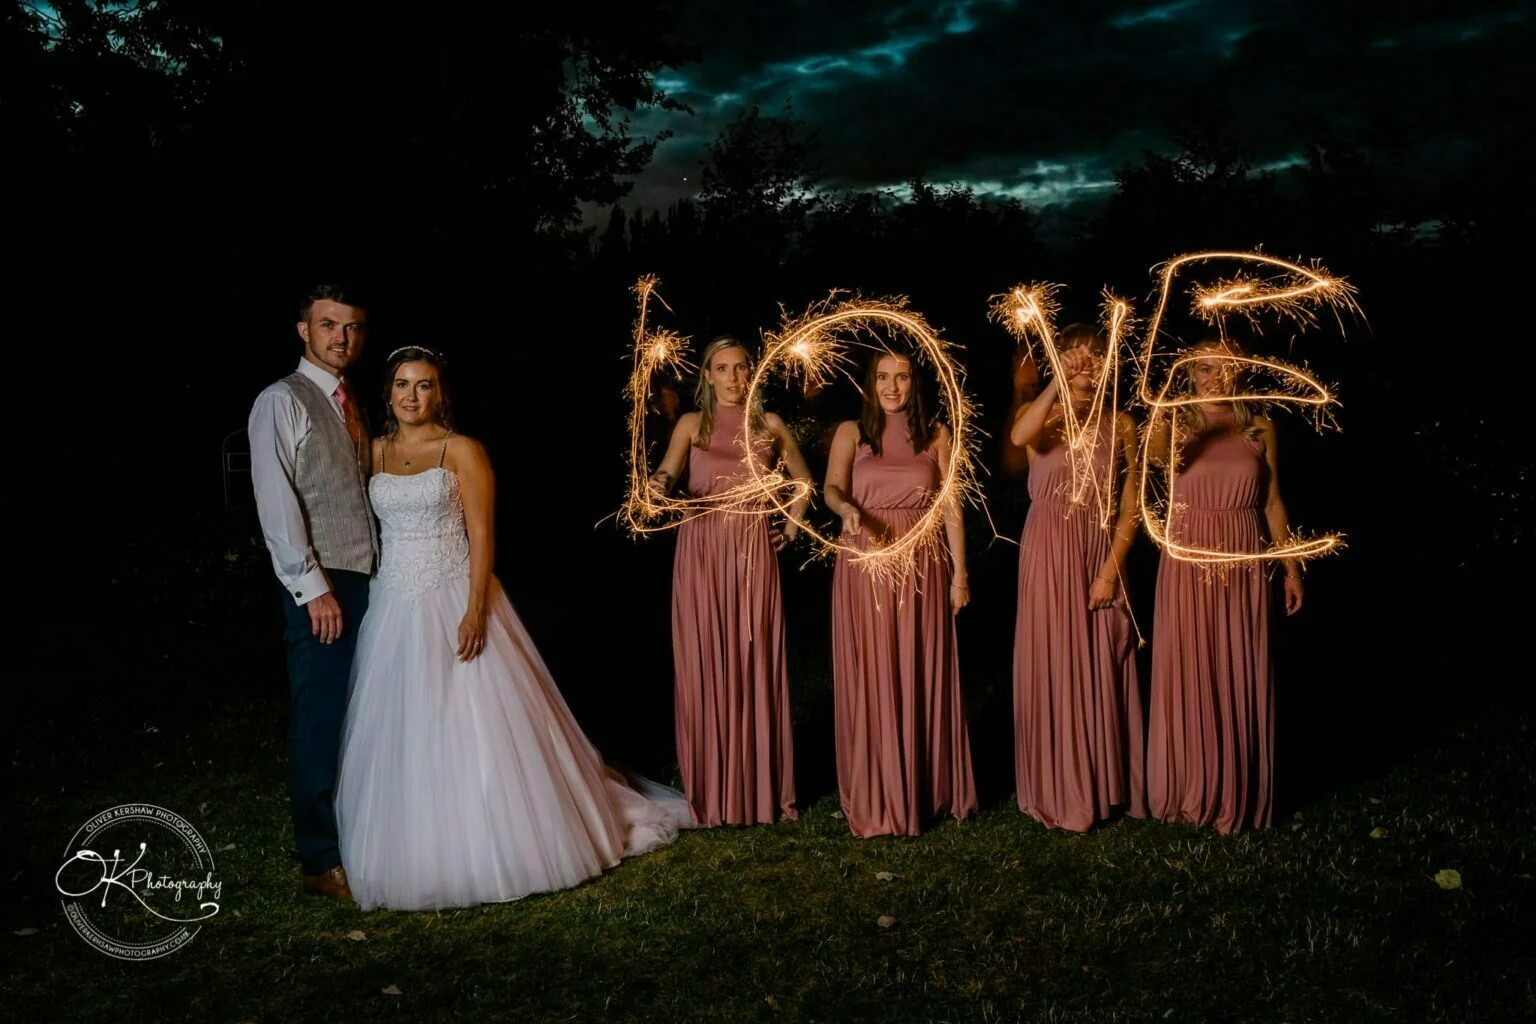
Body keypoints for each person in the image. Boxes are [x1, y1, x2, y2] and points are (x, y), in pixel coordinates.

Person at [335, 347, 692, 911]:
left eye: (423, 385)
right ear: (389, 393)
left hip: (457, 592)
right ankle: (421, 846)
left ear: (438, 393)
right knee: (407, 722)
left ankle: (509, 839)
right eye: (402, 385)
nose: (411, 396)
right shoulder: (372, 453)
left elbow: (482, 535)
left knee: (475, 718)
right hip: (395, 606)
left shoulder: (463, 450)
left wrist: (475, 608)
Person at [649, 336, 814, 825]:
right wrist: (657, 485)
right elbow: (667, 472)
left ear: (753, 373)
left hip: (750, 552)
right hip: (700, 550)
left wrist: (789, 523)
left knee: (753, 657)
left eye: (742, 368)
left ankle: (761, 791)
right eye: (722, 369)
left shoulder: (770, 426)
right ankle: (711, 793)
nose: (734, 378)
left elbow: (804, 482)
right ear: (707, 375)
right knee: (706, 657)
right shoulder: (690, 425)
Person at [1144, 339, 1305, 833]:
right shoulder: (1175, 425)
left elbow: (1273, 501)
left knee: (1240, 659)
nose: (1217, 378)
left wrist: (1292, 568)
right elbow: (1154, 461)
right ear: (1191, 374)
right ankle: (1191, 787)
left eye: (1227, 368)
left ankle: (1239, 789)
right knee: (1192, 663)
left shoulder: (1261, 426)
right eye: (1207, 370)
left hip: (1244, 551)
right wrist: (1171, 410)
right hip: (1191, 554)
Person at [248, 284, 376, 902]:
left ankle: (362, 836)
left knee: (365, 715)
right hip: (324, 585)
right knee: (320, 717)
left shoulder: (354, 403)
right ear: (304, 331)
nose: (341, 338)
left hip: (373, 578)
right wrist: (311, 587)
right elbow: (277, 504)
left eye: (351, 327)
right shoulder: (281, 400)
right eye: (328, 326)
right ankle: (320, 860)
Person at [823, 348, 978, 837]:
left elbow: (951, 504)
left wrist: (960, 574)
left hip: (921, 562)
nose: (892, 387)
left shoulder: (937, 434)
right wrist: (846, 510)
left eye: (902, 378)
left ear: (916, 383)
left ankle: (923, 788)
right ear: (869, 382)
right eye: (883, 377)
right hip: (865, 561)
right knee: (874, 669)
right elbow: (831, 487)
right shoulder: (852, 432)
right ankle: (876, 789)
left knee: (918, 665)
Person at [1009, 325, 1144, 831]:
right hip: (1047, 548)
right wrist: (1057, 384)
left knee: (1103, 659)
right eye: (1073, 356)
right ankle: (1055, 784)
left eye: (1094, 357)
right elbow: (1020, 437)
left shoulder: (1123, 423)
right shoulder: (1038, 417)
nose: (1085, 365)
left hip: (1098, 549)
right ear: (1058, 361)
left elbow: (1132, 507)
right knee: (1052, 660)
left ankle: (1102, 784)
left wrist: (1110, 570)